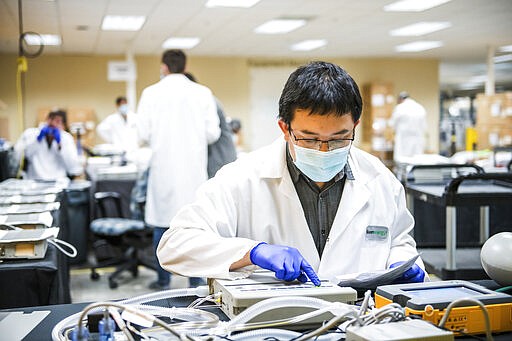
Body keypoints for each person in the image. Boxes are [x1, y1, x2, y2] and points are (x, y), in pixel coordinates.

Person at [157, 61, 426, 286]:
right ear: (284, 128)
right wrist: (252, 252)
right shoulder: (241, 178)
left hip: (359, 321)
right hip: (270, 325)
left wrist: (401, 263)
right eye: (309, 139)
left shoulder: (380, 179)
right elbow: (174, 245)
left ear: (354, 125)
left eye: (339, 138)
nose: (323, 150)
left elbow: (399, 240)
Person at [137, 49, 221, 290]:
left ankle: (163, 280)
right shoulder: (202, 93)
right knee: (195, 228)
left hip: (163, 172)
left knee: (162, 227)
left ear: (164, 67)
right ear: (185, 67)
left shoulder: (150, 93)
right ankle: (195, 283)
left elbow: (142, 134)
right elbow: (212, 133)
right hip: (193, 172)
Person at [184, 72, 237, 178]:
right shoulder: (203, 101)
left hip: (220, 159)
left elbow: (211, 134)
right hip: (217, 160)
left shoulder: (207, 101)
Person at [15, 109, 83, 180]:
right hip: (34, 180)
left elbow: (72, 165)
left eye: (57, 121)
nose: (53, 123)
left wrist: (60, 144)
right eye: (51, 119)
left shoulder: (66, 138)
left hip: (58, 181)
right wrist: (37, 140)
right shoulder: (31, 134)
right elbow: (25, 156)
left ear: (63, 125)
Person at [388, 91, 427, 163]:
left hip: (403, 141)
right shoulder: (420, 108)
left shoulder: (400, 108)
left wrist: (390, 139)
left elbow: (391, 124)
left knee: (403, 163)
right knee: (417, 162)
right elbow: (424, 127)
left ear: (400, 99)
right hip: (418, 140)